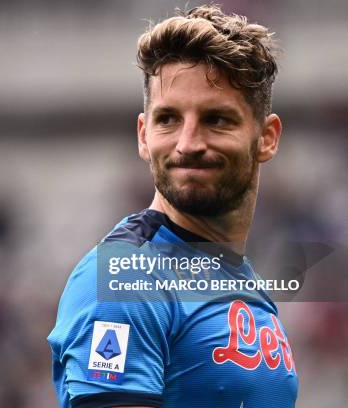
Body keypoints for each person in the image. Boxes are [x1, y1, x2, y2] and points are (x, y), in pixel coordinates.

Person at [47, 4, 298, 408]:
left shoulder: (238, 276)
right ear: (144, 136)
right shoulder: (125, 278)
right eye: (168, 119)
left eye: (217, 119)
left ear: (266, 137)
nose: (187, 144)